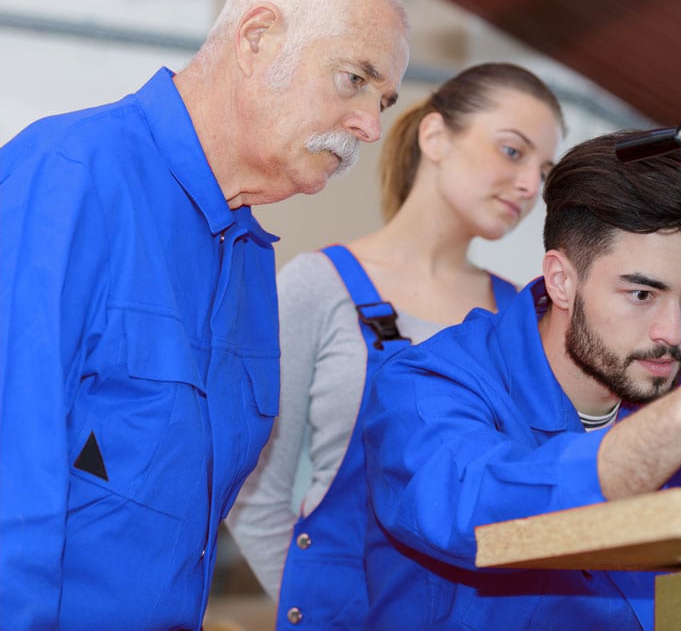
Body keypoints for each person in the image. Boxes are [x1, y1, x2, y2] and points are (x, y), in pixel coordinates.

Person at [0, 0, 408, 628]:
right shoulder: (68, 179)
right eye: (356, 79)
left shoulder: (250, 260)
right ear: (257, 38)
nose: (368, 125)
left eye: (384, 102)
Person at [354, 131, 681, 630]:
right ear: (561, 280)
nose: (674, 334)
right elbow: (480, 510)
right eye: (642, 294)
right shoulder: (425, 386)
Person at [225, 62, 565, 626]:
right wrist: (318, 605)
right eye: (513, 151)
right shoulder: (319, 286)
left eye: (545, 169)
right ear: (435, 137)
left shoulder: (525, 318)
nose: (532, 185)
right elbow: (255, 489)